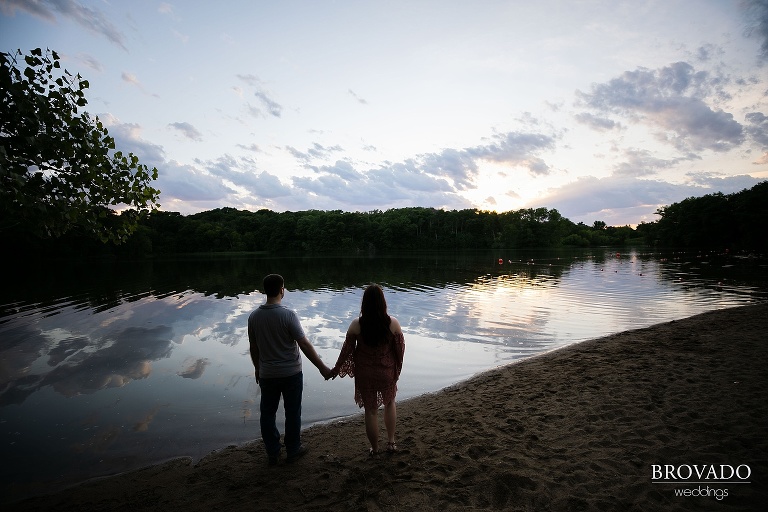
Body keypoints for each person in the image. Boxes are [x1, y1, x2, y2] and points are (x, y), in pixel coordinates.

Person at [248, 274, 331, 465]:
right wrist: (322, 368)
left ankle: (273, 452)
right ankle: (293, 449)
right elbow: (304, 344)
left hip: (267, 374)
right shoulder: (288, 315)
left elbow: (254, 347)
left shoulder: (254, 317)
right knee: (293, 412)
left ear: (265, 291)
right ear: (281, 290)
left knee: (267, 414)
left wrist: (257, 368)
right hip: (291, 373)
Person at [330, 284, 405, 455]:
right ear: (383, 302)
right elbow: (399, 351)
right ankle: (391, 442)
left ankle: (375, 448)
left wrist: (335, 369)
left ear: (364, 304)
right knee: (390, 402)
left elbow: (346, 351)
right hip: (386, 371)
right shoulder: (393, 323)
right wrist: (396, 370)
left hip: (365, 374)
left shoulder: (356, 325)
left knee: (370, 411)